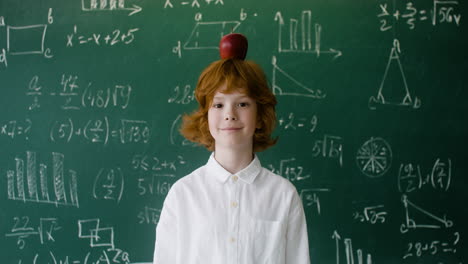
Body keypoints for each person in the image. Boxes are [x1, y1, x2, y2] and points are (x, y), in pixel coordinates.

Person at [153, 58, 310, 264]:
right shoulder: (183, 194)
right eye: (218, 104)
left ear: (260, 115)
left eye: (242, 104)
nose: (229, 114)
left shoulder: (283, 195)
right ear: (205, 115)